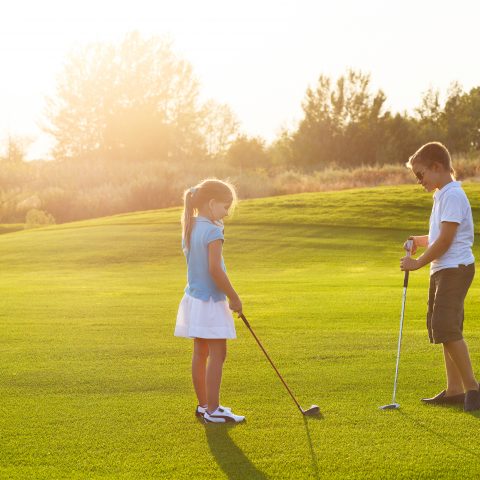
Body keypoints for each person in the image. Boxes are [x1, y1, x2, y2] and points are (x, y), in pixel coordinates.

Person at [401, 141, 480, 412]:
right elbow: (437, 237)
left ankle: (473, 389)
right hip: (443, 268)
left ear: (436, 167)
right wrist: (418, 241)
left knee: (446, 326)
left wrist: (418, 262)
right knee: (441, 328)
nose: (418, 181)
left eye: (420, 174)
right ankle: (455, 389)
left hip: (454, 268)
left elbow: (446, 240)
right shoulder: (442, 195)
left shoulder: (453, 195)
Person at [174, 178, 245, 423]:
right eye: (225, 207)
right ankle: (214, 410)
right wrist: (234, 297)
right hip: (212, 301)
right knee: (218, 352)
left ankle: (204, 406)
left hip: (194, 298)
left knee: (200, 351)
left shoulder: (190, 225)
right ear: (212, 203)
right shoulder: (213, 231)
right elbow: (216, 269)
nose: (226, 213)